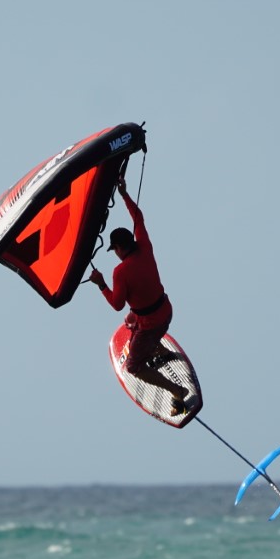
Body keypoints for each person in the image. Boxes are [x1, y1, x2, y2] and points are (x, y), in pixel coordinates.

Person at [88, 177, 198, 416]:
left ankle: (176, 390)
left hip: (151, 325)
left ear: (118, 248)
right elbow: (138, 217)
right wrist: (125, 194)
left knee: (133, 366)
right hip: (166, 311)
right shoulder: (144, 245)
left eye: (114, 249)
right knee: (130, 320)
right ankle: (159, 350)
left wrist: (101, 284)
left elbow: (116, 304)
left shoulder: (120, 272)